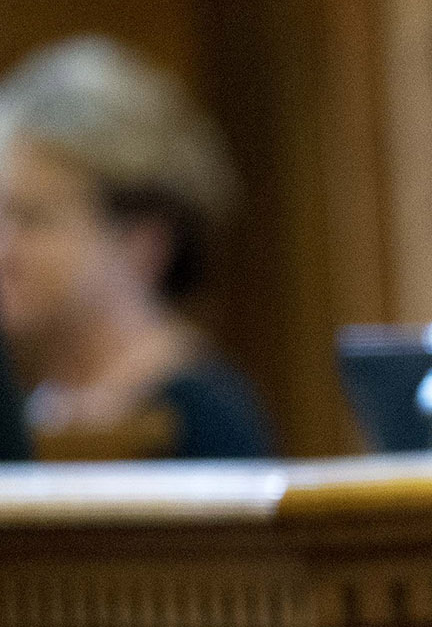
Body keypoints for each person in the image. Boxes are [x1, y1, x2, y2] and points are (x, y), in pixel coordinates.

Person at [0, 37, 274, 460]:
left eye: (35, 219)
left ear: (142, 243)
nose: (5, 248)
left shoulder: (202, 421)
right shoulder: (29, 405)